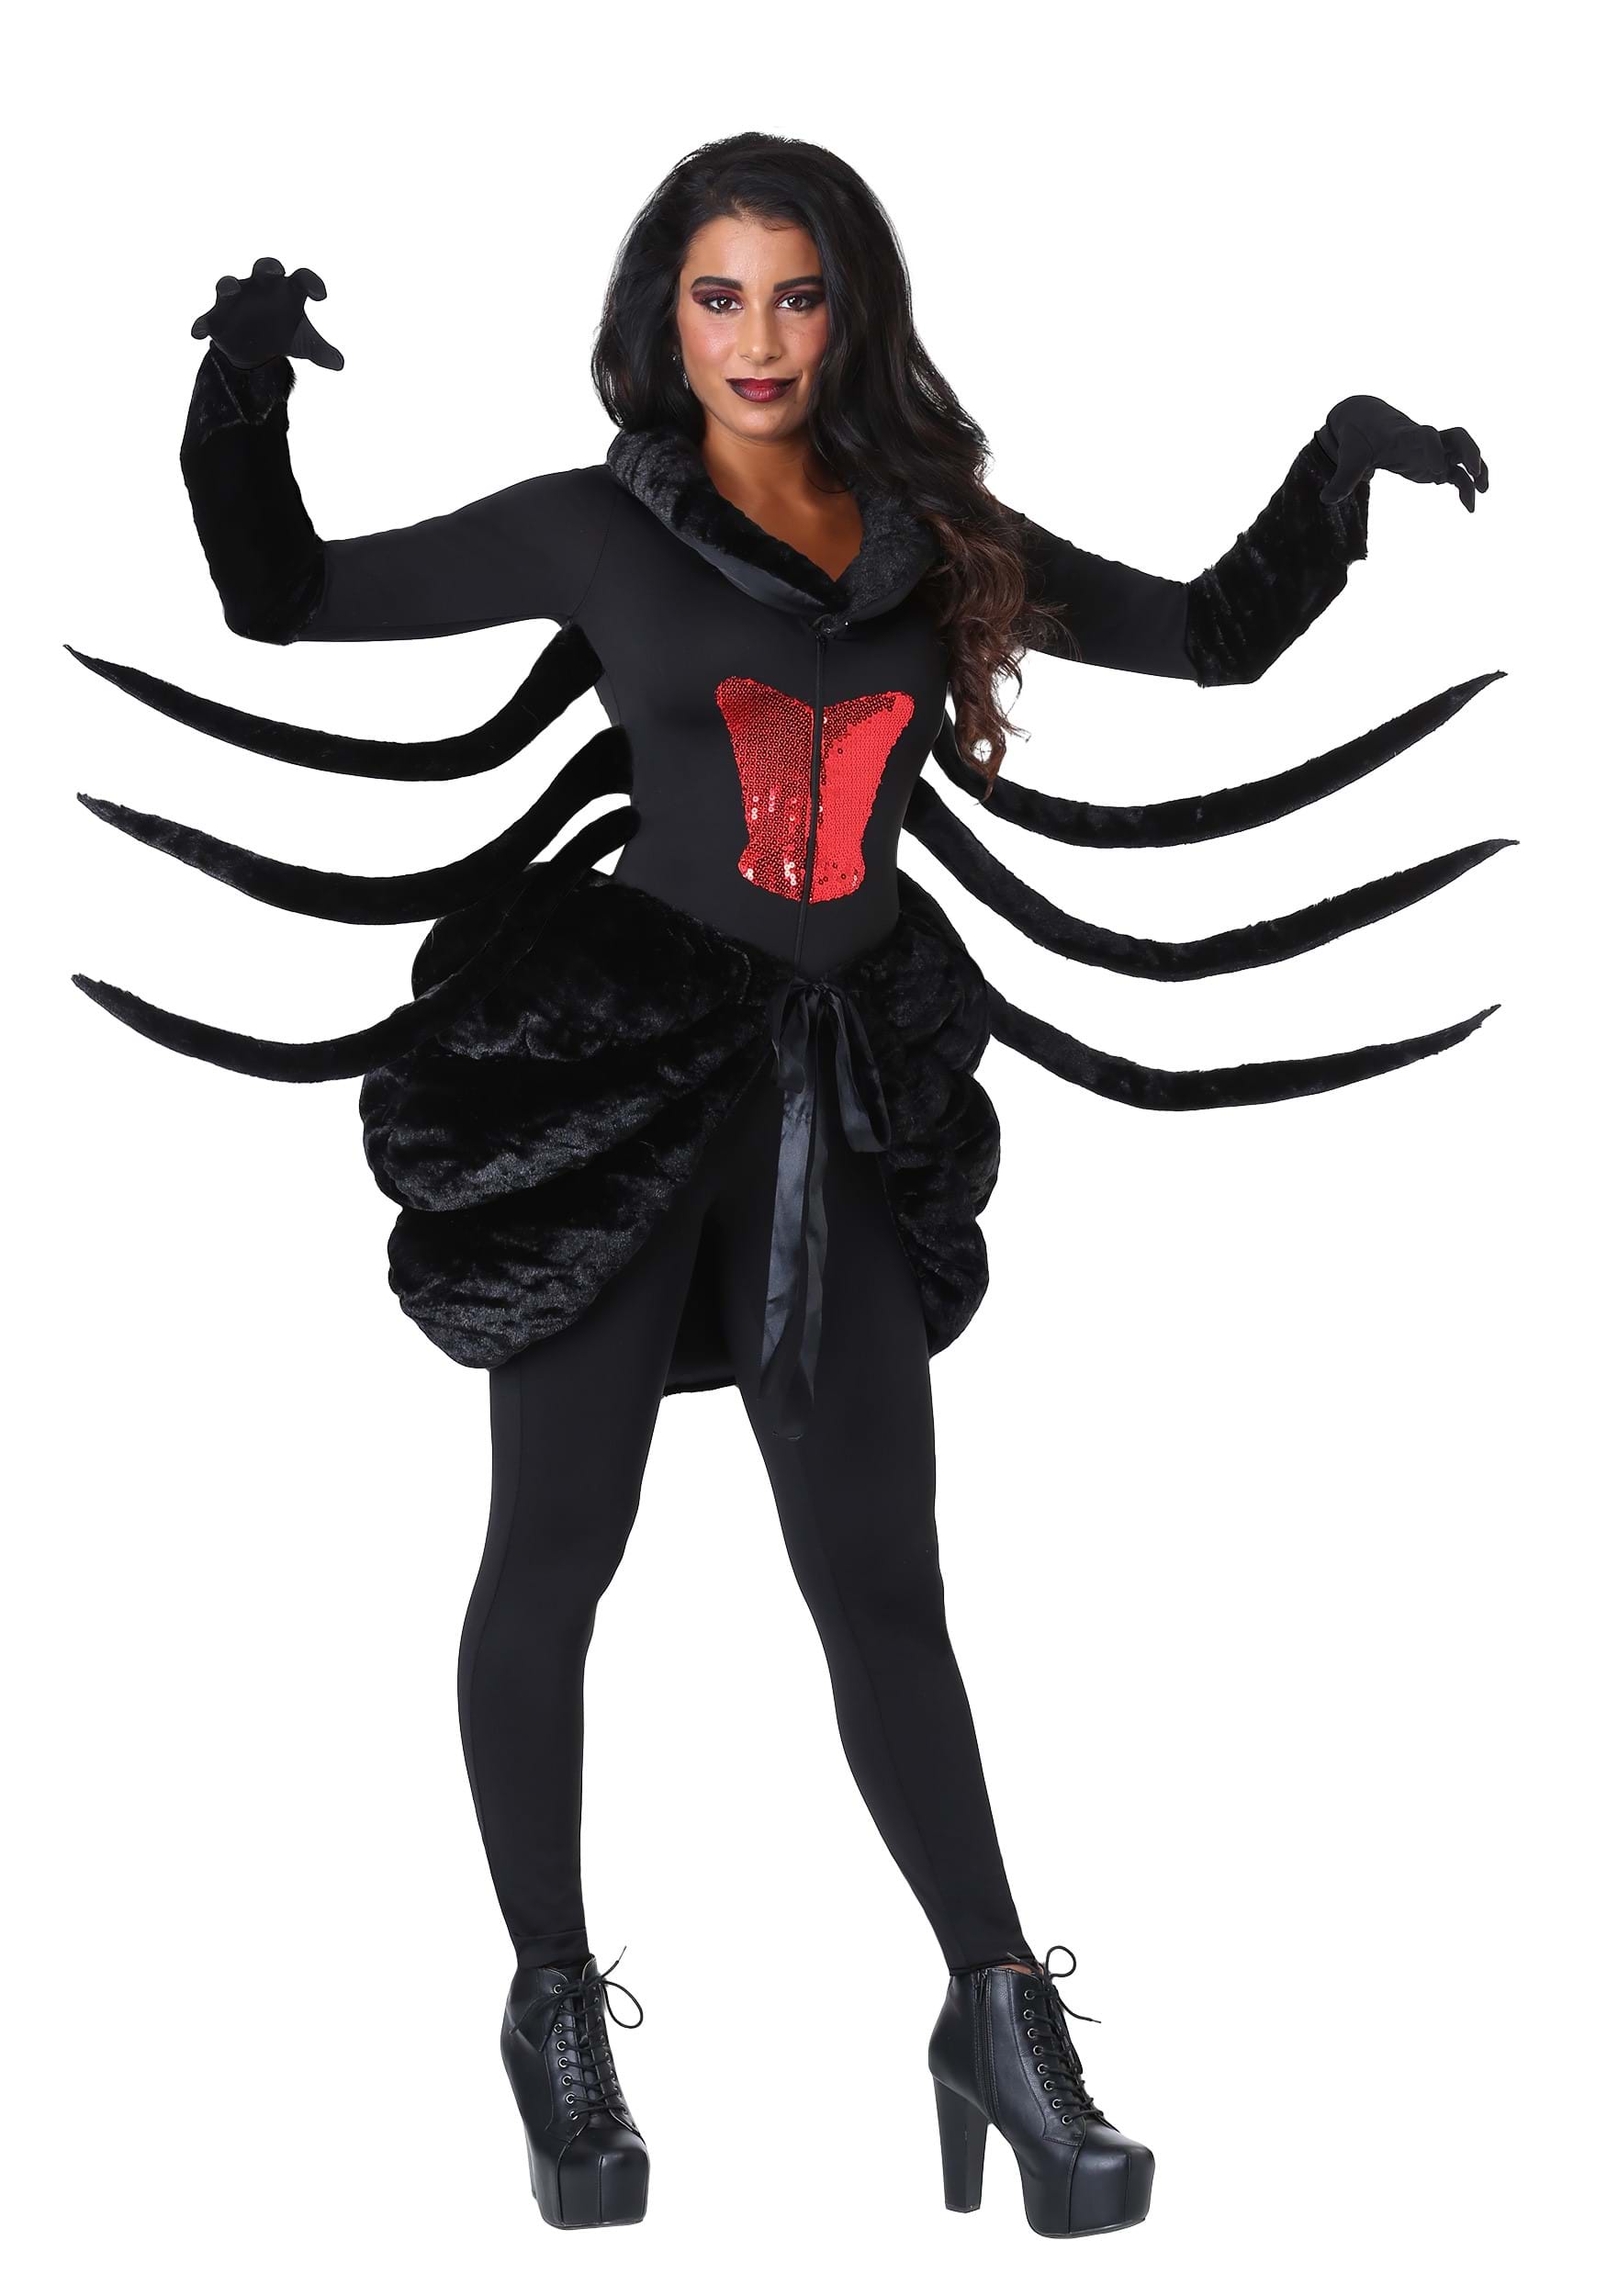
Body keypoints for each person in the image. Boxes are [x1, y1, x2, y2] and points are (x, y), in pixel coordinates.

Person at [69, 130, 1501, 2236]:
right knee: (555, 1549)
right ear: (665, 315)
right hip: (622, 1083)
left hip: (836, 1097)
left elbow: (1207, 636)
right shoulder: (588, 527)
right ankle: (554, 2012)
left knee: (880, 1578)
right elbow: (284, 595)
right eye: (720, 293)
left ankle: (997, 2016)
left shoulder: (934, 544)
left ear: (851, 313)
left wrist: (1339, 463)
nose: (759, 336)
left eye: (797, 292)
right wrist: (240, 384)